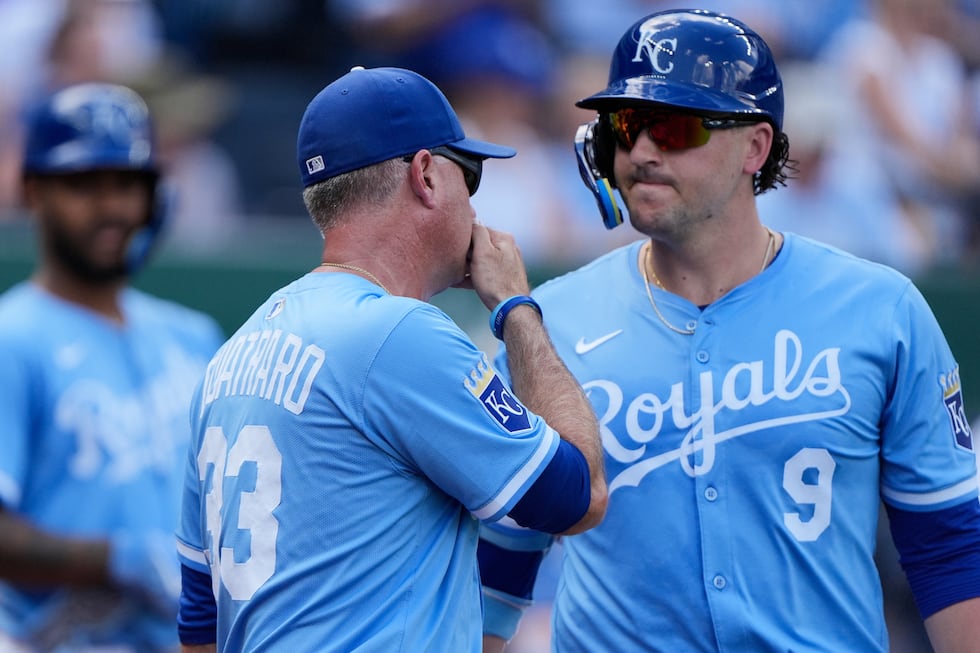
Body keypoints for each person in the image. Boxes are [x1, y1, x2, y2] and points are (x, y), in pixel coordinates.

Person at [479, 9, 980, 653]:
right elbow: (503, 563)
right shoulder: (544, 324)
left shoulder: (881, 309)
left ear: (756, 146)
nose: (640, 152)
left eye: (674, 127)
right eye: (625, 127)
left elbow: (947, 544)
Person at [174, 65, 607, 652]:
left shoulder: (232, 355)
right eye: (469, 177)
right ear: (427, 175)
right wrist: (515, 307)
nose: (475, 209)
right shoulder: (398, 334)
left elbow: (199, 624)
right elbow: (576, 496)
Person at [0, 83, 225, 652]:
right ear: (32, 190)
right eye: (83, 185)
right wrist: (120, 559)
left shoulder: (192, 335)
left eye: (127, 183)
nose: (111, 207)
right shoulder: (11, 337)